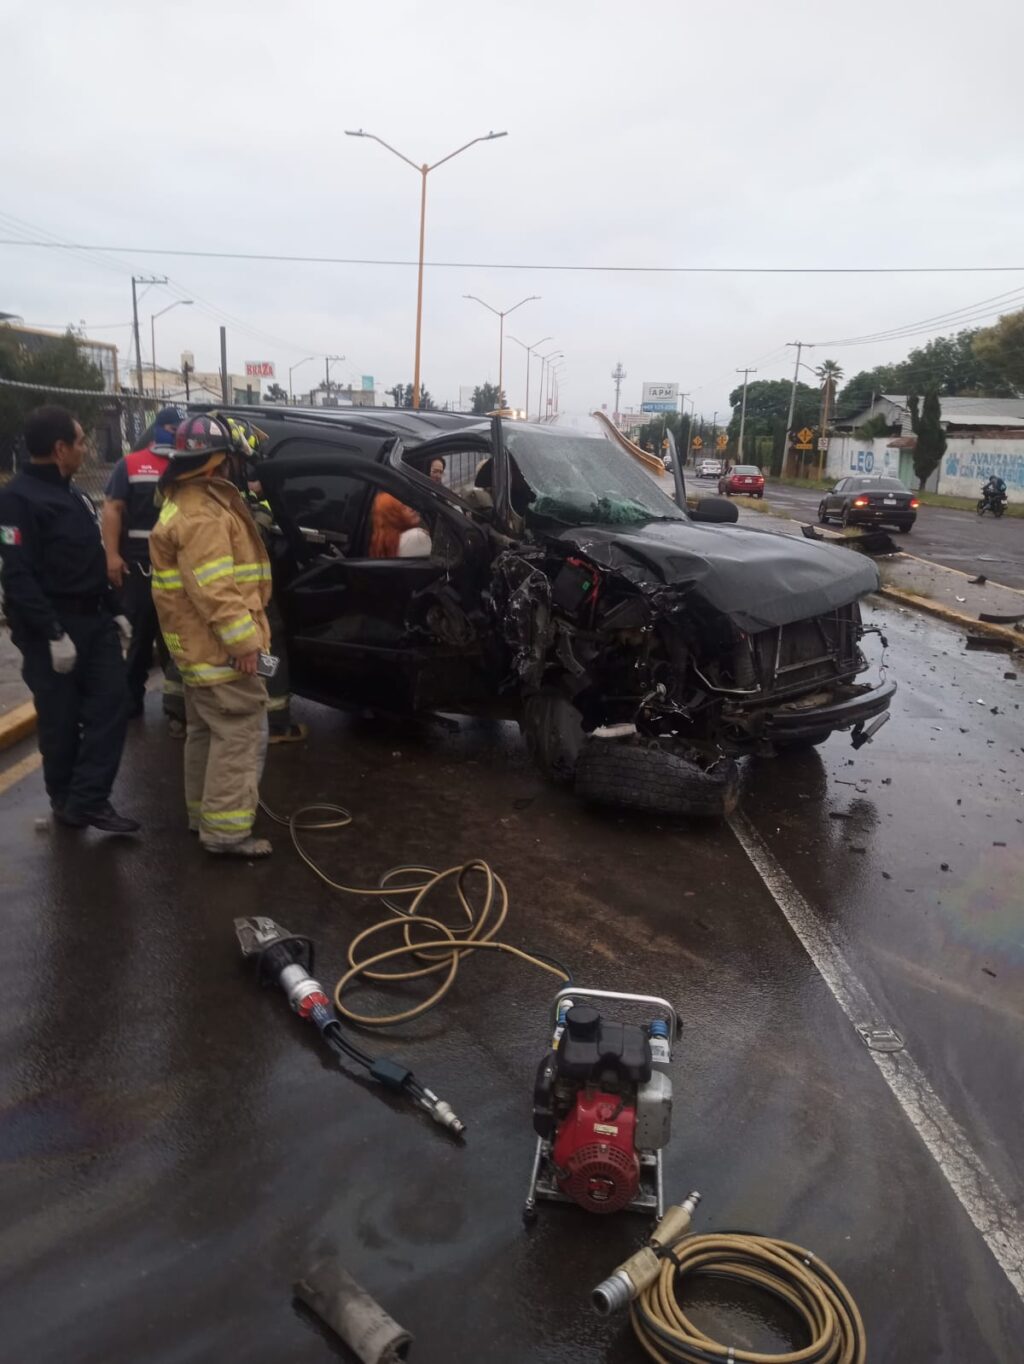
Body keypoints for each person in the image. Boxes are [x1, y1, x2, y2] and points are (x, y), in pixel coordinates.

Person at [0, 406, 140, 832]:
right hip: (51, 628)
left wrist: (115, 610)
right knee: (60, 719)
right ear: (60, 449)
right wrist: (53, 632)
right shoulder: (17, 499)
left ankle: (88, 799)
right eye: (81, 441)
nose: (85, 448)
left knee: (111, 705)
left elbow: (90, 558)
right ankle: (65, 800)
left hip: (94, 619)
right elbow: (17, 574)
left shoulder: (74, 494)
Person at [149, 415, 273, 857]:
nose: (239, 470)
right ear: (217, 461)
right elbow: (216, 591)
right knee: (238, 735)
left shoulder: (187, 501)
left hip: (198, 649)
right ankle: (225, 834)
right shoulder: (202, 514)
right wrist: (245, 646)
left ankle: (203, 816)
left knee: (205, 732)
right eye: (236, 460)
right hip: (222, 650)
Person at [101, 406, 186, 729]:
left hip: (179, 567)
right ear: (160, 429)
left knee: (175, 638)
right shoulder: (132, 464)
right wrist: (112, 555)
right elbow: (112, 509)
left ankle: (177, 706)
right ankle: (131, 701)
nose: (176, 434)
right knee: (142, 636)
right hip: (142, 567)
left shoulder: (185, 466)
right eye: (172, 428)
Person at [369, 489, 421, 558]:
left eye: (409, 503)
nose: (412, 508)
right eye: (403, 507)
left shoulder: (381, 543)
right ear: (392, 516)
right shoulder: (416, 536)